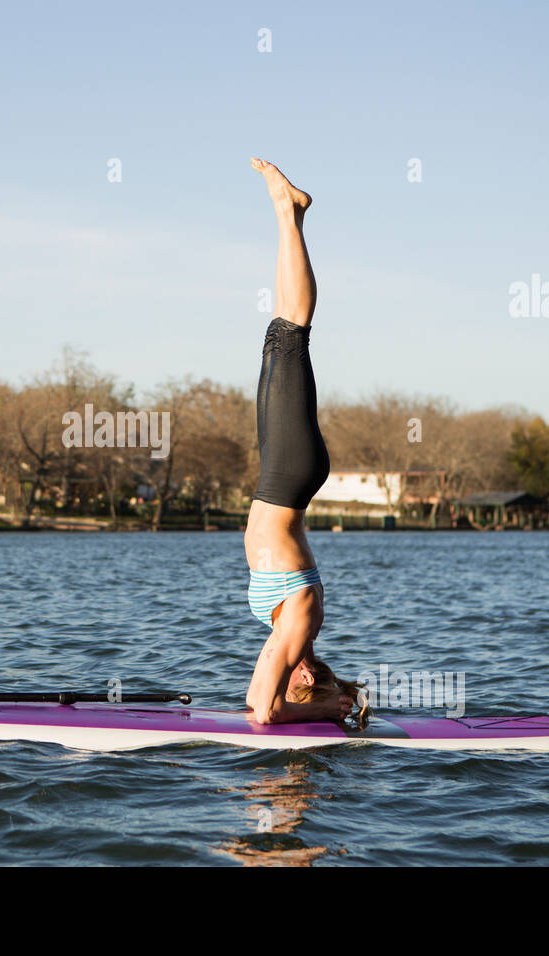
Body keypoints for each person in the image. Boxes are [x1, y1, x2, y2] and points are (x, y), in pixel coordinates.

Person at [243, 158, 364, 727]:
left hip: (283, 476)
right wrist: (318, 712)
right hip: (289, 475)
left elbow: (262, 711)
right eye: (308, 683)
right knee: (291, 335)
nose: (298, 676)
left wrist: (312, 711)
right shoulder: (301, 622)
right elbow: (263, 713)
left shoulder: (296, 628)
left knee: (280, 336)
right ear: (309, 678)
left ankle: (287, 213)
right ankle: (288, 212)